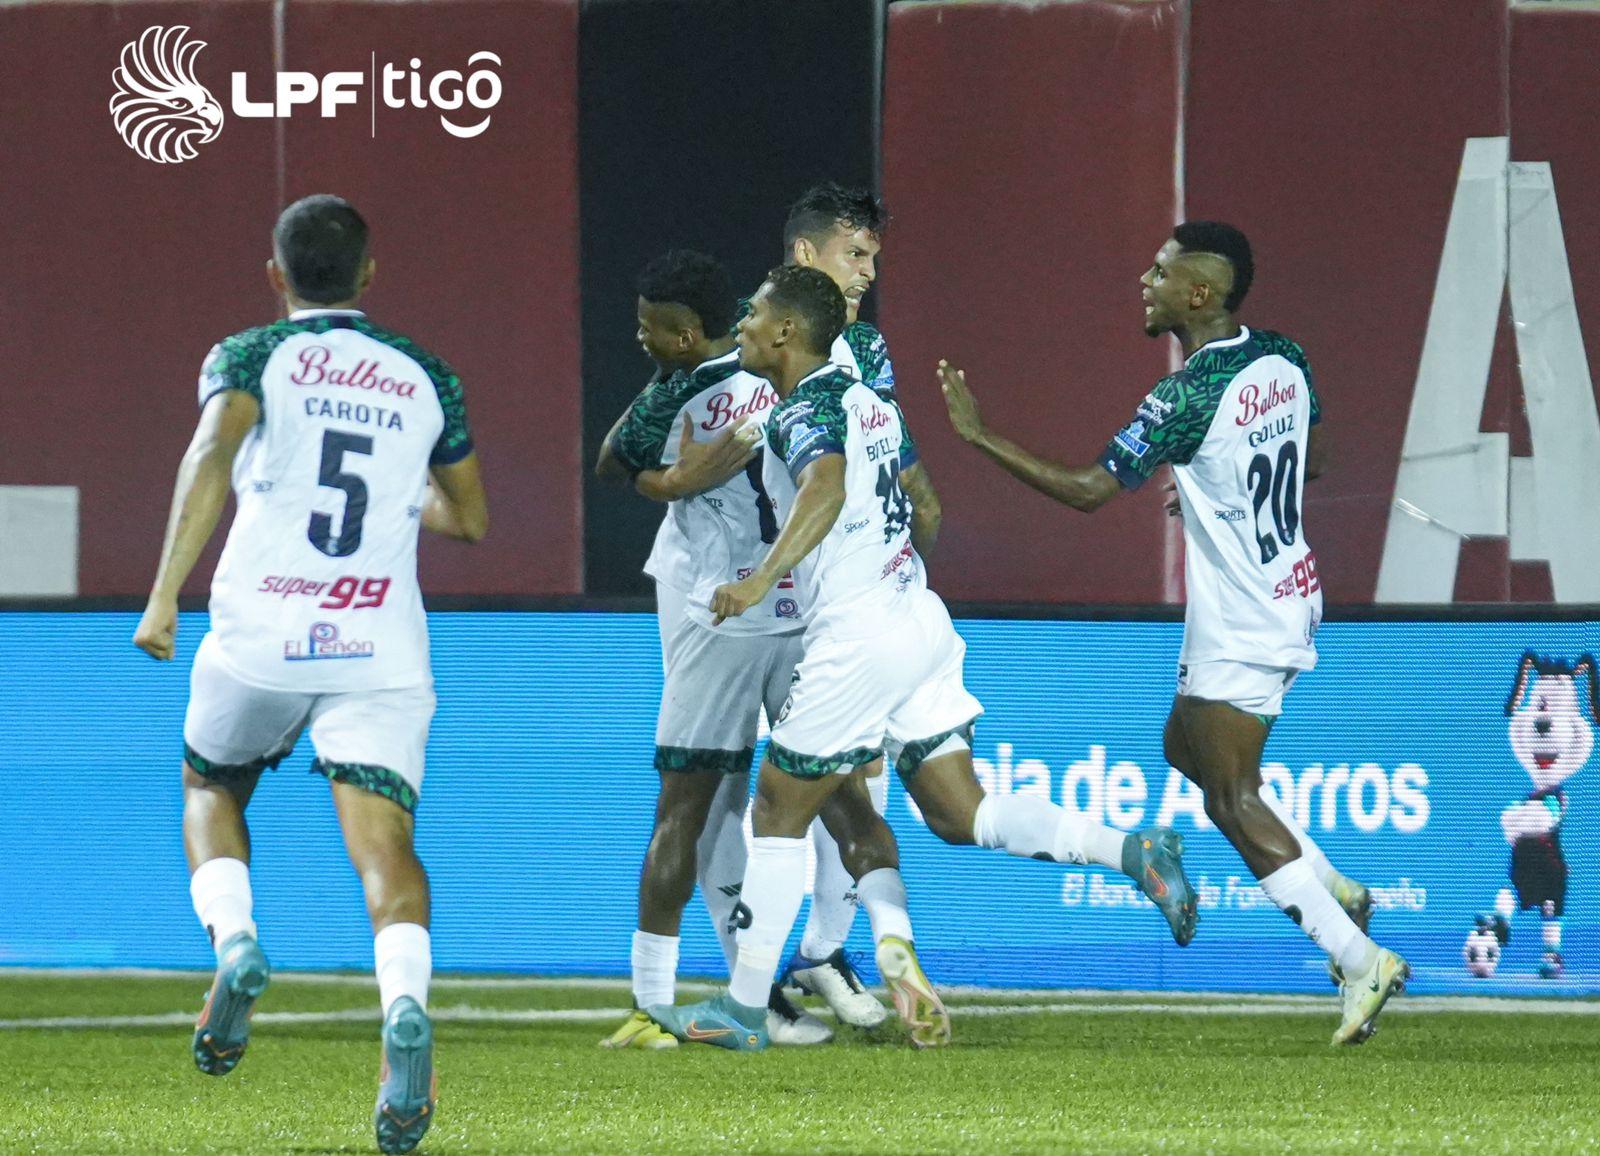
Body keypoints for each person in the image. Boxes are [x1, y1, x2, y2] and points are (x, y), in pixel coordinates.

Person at [937, 220, 1402, 1046]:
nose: (1144, 283)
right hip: (1288, 587)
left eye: (1160, 272)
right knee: (1184, 748)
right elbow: (1317, 456)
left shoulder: (1184, 395)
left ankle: (1356, 956)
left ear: (1200, 292)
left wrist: (979, 436)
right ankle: (1332, 881)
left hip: (1244, 618)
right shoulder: (1282, 356)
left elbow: (1088, 490)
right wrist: (1215, 485)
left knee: (1230, 797)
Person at [133, 194, 487, 1152]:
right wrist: (400, 499)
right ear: (369, 274)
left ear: (275, 275)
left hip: (264, 633)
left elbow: (212, 452)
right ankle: (405, 1008)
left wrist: (164, 596)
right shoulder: (426, 374)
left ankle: (238, 943)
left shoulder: (251, 355)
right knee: (386, 849)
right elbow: (469, 517)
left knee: (210, 786)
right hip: (379, 646)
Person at [649, 265, 951, 1050]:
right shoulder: (872, 401)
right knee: (954, 809)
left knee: (777, 808)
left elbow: (823, 486)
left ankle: (746, 1006)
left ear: (786, 330)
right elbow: (922, 501)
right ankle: (882, 937)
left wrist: (758, 578)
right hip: (914, 619)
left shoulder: (803, 408)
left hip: (847, 634)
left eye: (752, 314)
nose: (741, 325)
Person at [594, 250, 835, 1047]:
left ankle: (652, 1003)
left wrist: (662, 481)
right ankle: (823, 968)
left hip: (722, 619)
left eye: (651, 329)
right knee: (839, 805)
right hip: (803, 614)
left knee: (684, 810)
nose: (640, 338)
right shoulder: (805, 380)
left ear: (686, 333)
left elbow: (610, 462)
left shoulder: (682, 392)